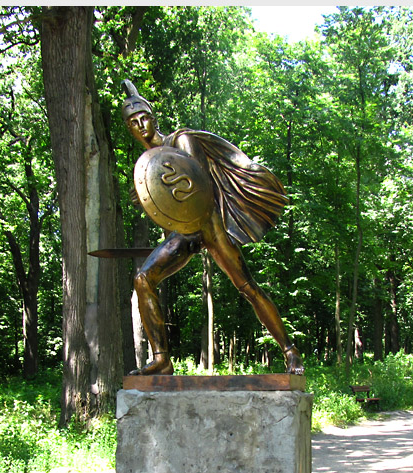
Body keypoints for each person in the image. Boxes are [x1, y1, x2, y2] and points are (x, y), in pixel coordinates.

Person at [121, 80, 304, 376]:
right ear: (129, 129)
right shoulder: (147, 168)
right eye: (133, 122)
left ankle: (290, 351)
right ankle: (161, 359)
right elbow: (170, 209)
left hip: (210, 225)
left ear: (153, 118)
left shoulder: (180, 141)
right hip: (184, 232)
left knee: (248, 288)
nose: (141, 125)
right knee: (143, 279)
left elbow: (199, 191)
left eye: (144, 118)